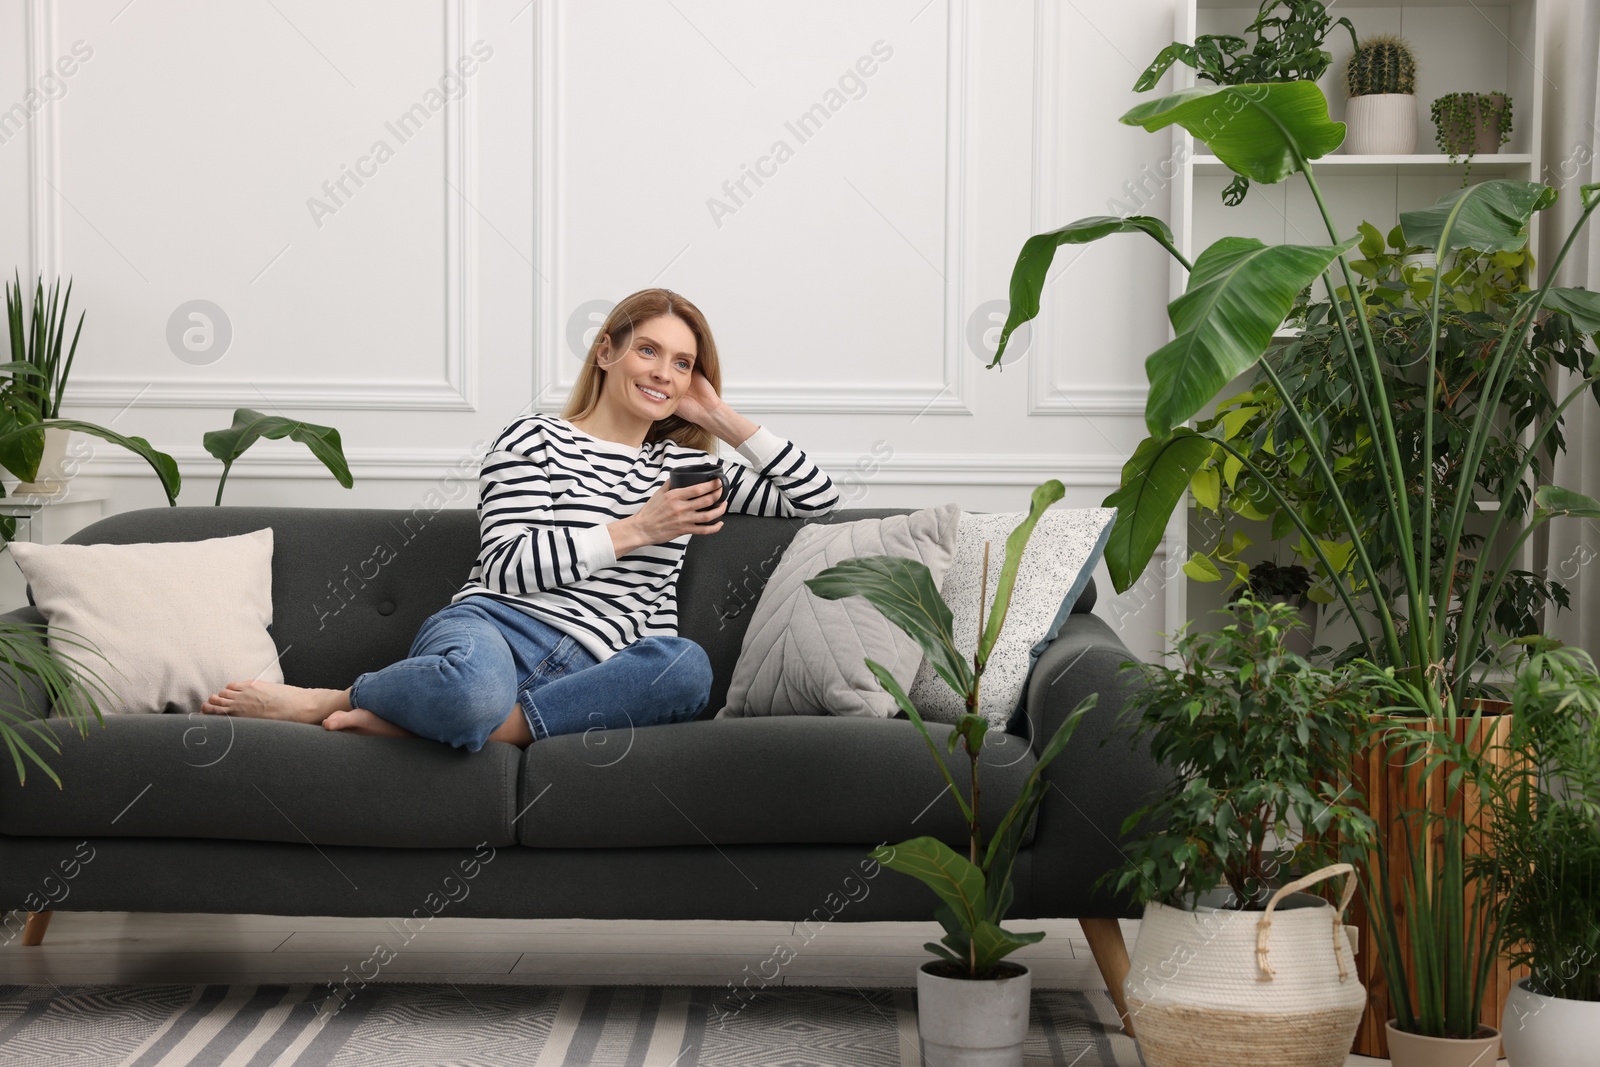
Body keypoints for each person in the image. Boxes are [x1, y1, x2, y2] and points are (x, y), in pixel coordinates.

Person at [200, 288, 840, 748]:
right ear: (606, 351)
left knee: (686, 668)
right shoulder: (532, 438)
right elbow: (506, 567)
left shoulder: (685, 468)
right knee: (469, 691)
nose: (664, 373)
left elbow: (817, 500)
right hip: (498, 630)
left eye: (682, 363)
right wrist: (639, 529)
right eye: (649, 350)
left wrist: (719, 419)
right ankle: (340, 700)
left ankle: (460, 725)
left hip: (604, 666)